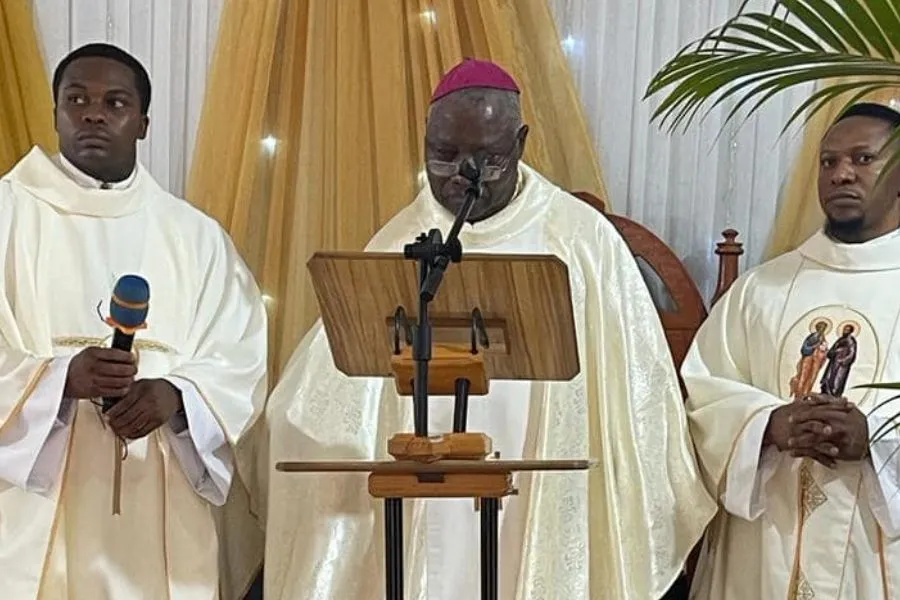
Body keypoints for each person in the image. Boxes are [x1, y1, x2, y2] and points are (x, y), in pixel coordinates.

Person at [262, 58, 715, 600]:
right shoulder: (401, 242)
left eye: (488, 158)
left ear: (521, 143)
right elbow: (326, 386)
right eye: (444, 154)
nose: (463, 175)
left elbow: (641, 400)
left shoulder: (581, 242)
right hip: (418, 495)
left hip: (542, 494)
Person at [0, 43, 267, 599]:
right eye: (76, 99)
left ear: (143, 122)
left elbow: (240, 354)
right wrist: (58, 381)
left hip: (159, 495)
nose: (93, 113)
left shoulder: (195, 236)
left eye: (115, 102)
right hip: (32, 505)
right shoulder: (8, 214)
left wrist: (177, 395)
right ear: (55, 114)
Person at [682, 102, 900, 599]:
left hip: (877, 552)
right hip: (764, 549)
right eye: (828, 162)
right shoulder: (762, 290)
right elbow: (703, 396)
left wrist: (876, 439)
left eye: (863, 159)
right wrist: (766, 425)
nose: (842, 173)